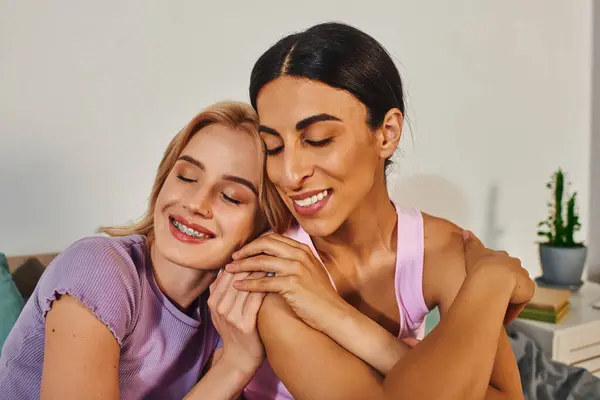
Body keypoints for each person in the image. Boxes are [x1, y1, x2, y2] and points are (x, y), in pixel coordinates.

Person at [226, 22, 535, 400]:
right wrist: (492, 282)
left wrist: (335, 315)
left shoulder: (441, 249)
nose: (290, 174)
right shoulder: (270, 278)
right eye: (273, 147)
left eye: (318, 140)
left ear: (386, 133)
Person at [0, 101, 274, 400]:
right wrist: (235, 366)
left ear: (264, 225)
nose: (196, 203)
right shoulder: (98, 267)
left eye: (231, 197)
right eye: (186, 177)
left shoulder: (224, 312)